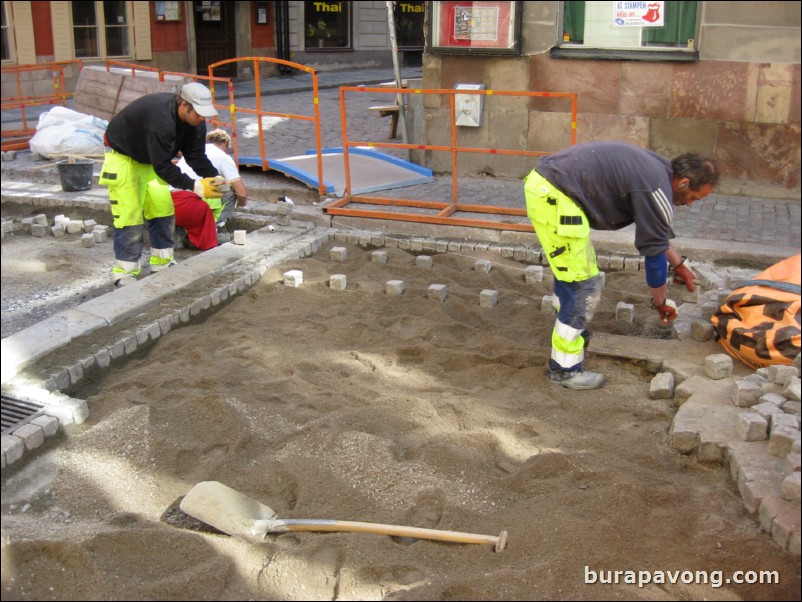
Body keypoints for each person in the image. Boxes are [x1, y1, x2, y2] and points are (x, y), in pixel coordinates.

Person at [523, 141, 719, 391]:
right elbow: (655, 257)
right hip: (555, 195)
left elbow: (658, 233)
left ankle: (570, 327)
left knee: (573, 272)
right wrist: (660, 302)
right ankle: (564, 369)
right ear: (683, 183)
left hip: (549, 186)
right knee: (584, 287)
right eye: (693, 197)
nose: (690, 203)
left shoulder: (658, 172)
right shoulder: (655, 188)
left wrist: (679, 265)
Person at [99, 82, 225, 286]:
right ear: (184, 105)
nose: (202, 119)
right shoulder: (160, 120)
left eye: (204, 115)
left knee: (163, 210)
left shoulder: (195, 123)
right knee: (129, 215)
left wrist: (213, 177)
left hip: (149, 159)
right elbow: (163, 167)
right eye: (199, 114)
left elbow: (195, 156)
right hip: (124, 156)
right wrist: (196, 186)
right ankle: (124, 272)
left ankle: (162, 263)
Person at [176, 128, 248, 232]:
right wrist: (242, 203)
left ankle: (182, 231)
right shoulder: (223, 156)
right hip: (192, 202)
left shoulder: (194, 152)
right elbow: (242, 192)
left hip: (173, 200)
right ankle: (215, 228)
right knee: (231, 191)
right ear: (225, 144)